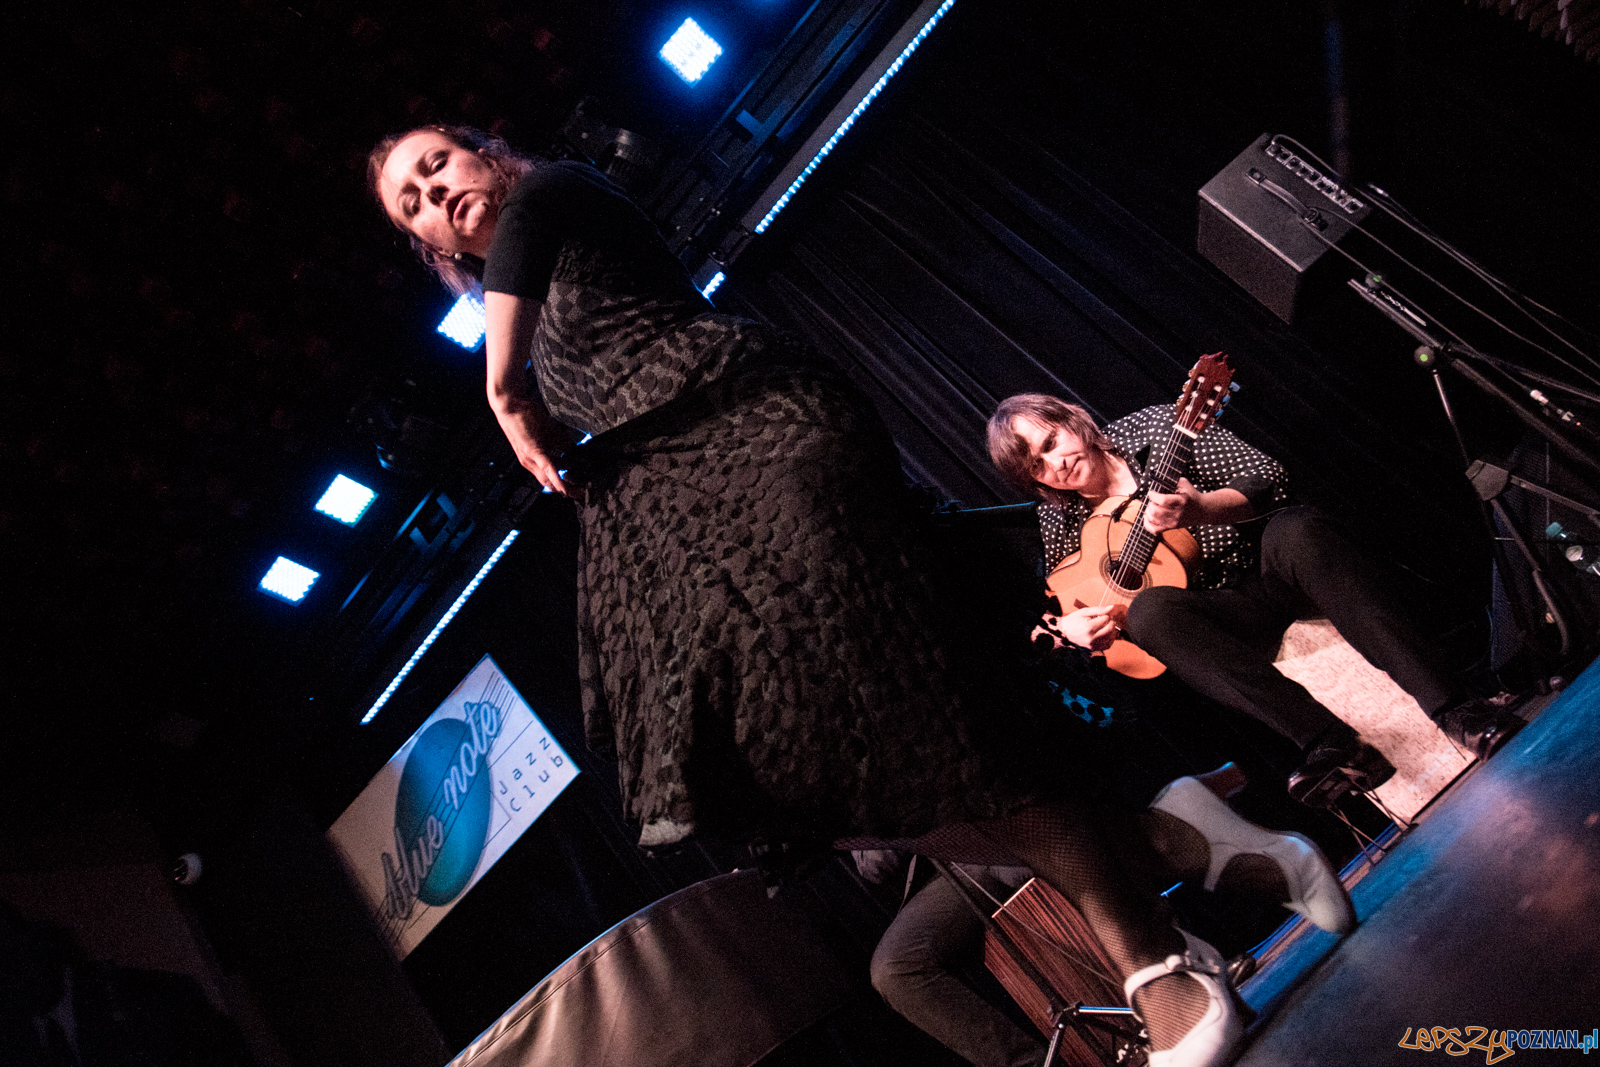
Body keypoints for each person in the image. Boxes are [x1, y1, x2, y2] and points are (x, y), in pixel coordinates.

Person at [369, 126, 1352, 1065]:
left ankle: (1163, 966)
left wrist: (506, 396)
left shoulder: (552, 193)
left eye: (436, 161)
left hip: (765, 434)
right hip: (692, 497)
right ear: (424, 241)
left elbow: (512, 365)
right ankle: (1179, 838)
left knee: (915, 714)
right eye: (412, 200)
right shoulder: (537, 305)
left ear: (482, 153)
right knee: (781, 772)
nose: (434, 189)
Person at [986, 393, 1524, 804]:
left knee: (1299, 530)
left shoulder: (1160, 427)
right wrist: (1071, 631)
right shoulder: (1059, 516)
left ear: (1073, 420)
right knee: (1149, 612)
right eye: (1035, 463)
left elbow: (1268, 480)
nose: (1054, 463)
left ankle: (1459, 711)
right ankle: (1330, 744)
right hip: (1216, 619)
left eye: (1051, 441)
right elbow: (1059, 596)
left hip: (1266, 568)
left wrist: (1203, 510)